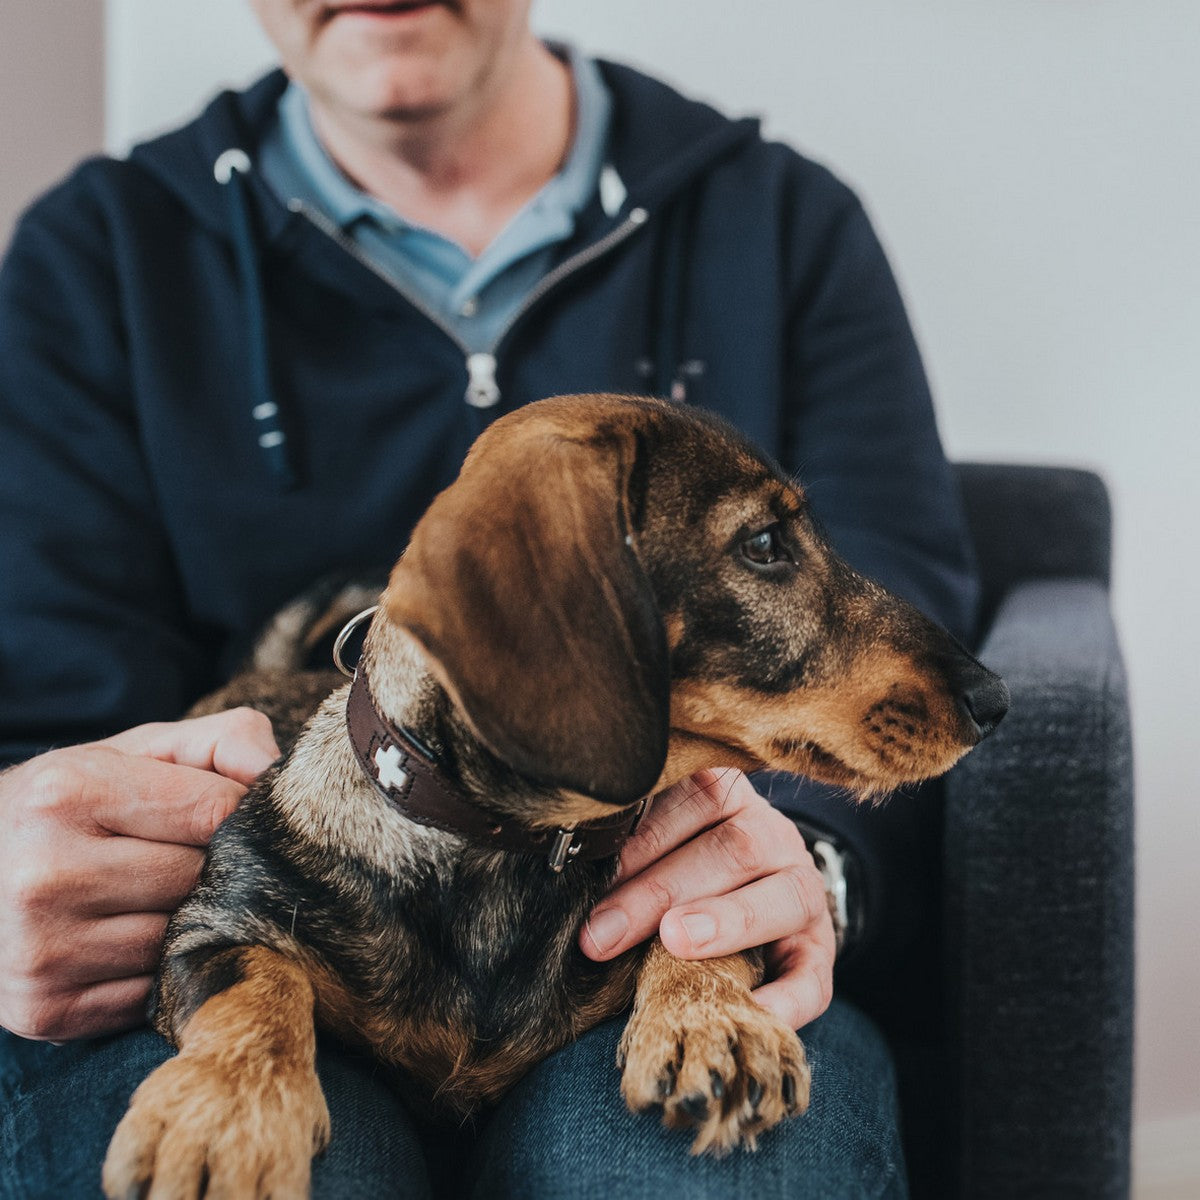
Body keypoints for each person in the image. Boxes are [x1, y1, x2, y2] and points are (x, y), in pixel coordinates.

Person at [0, 2, 977, 1196]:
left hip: (651, 925)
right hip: (262, 937)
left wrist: (800, 876)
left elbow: (900, 640)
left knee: (697, 1171)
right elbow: (33, 709)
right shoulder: (99, 255)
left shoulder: (778, 222)